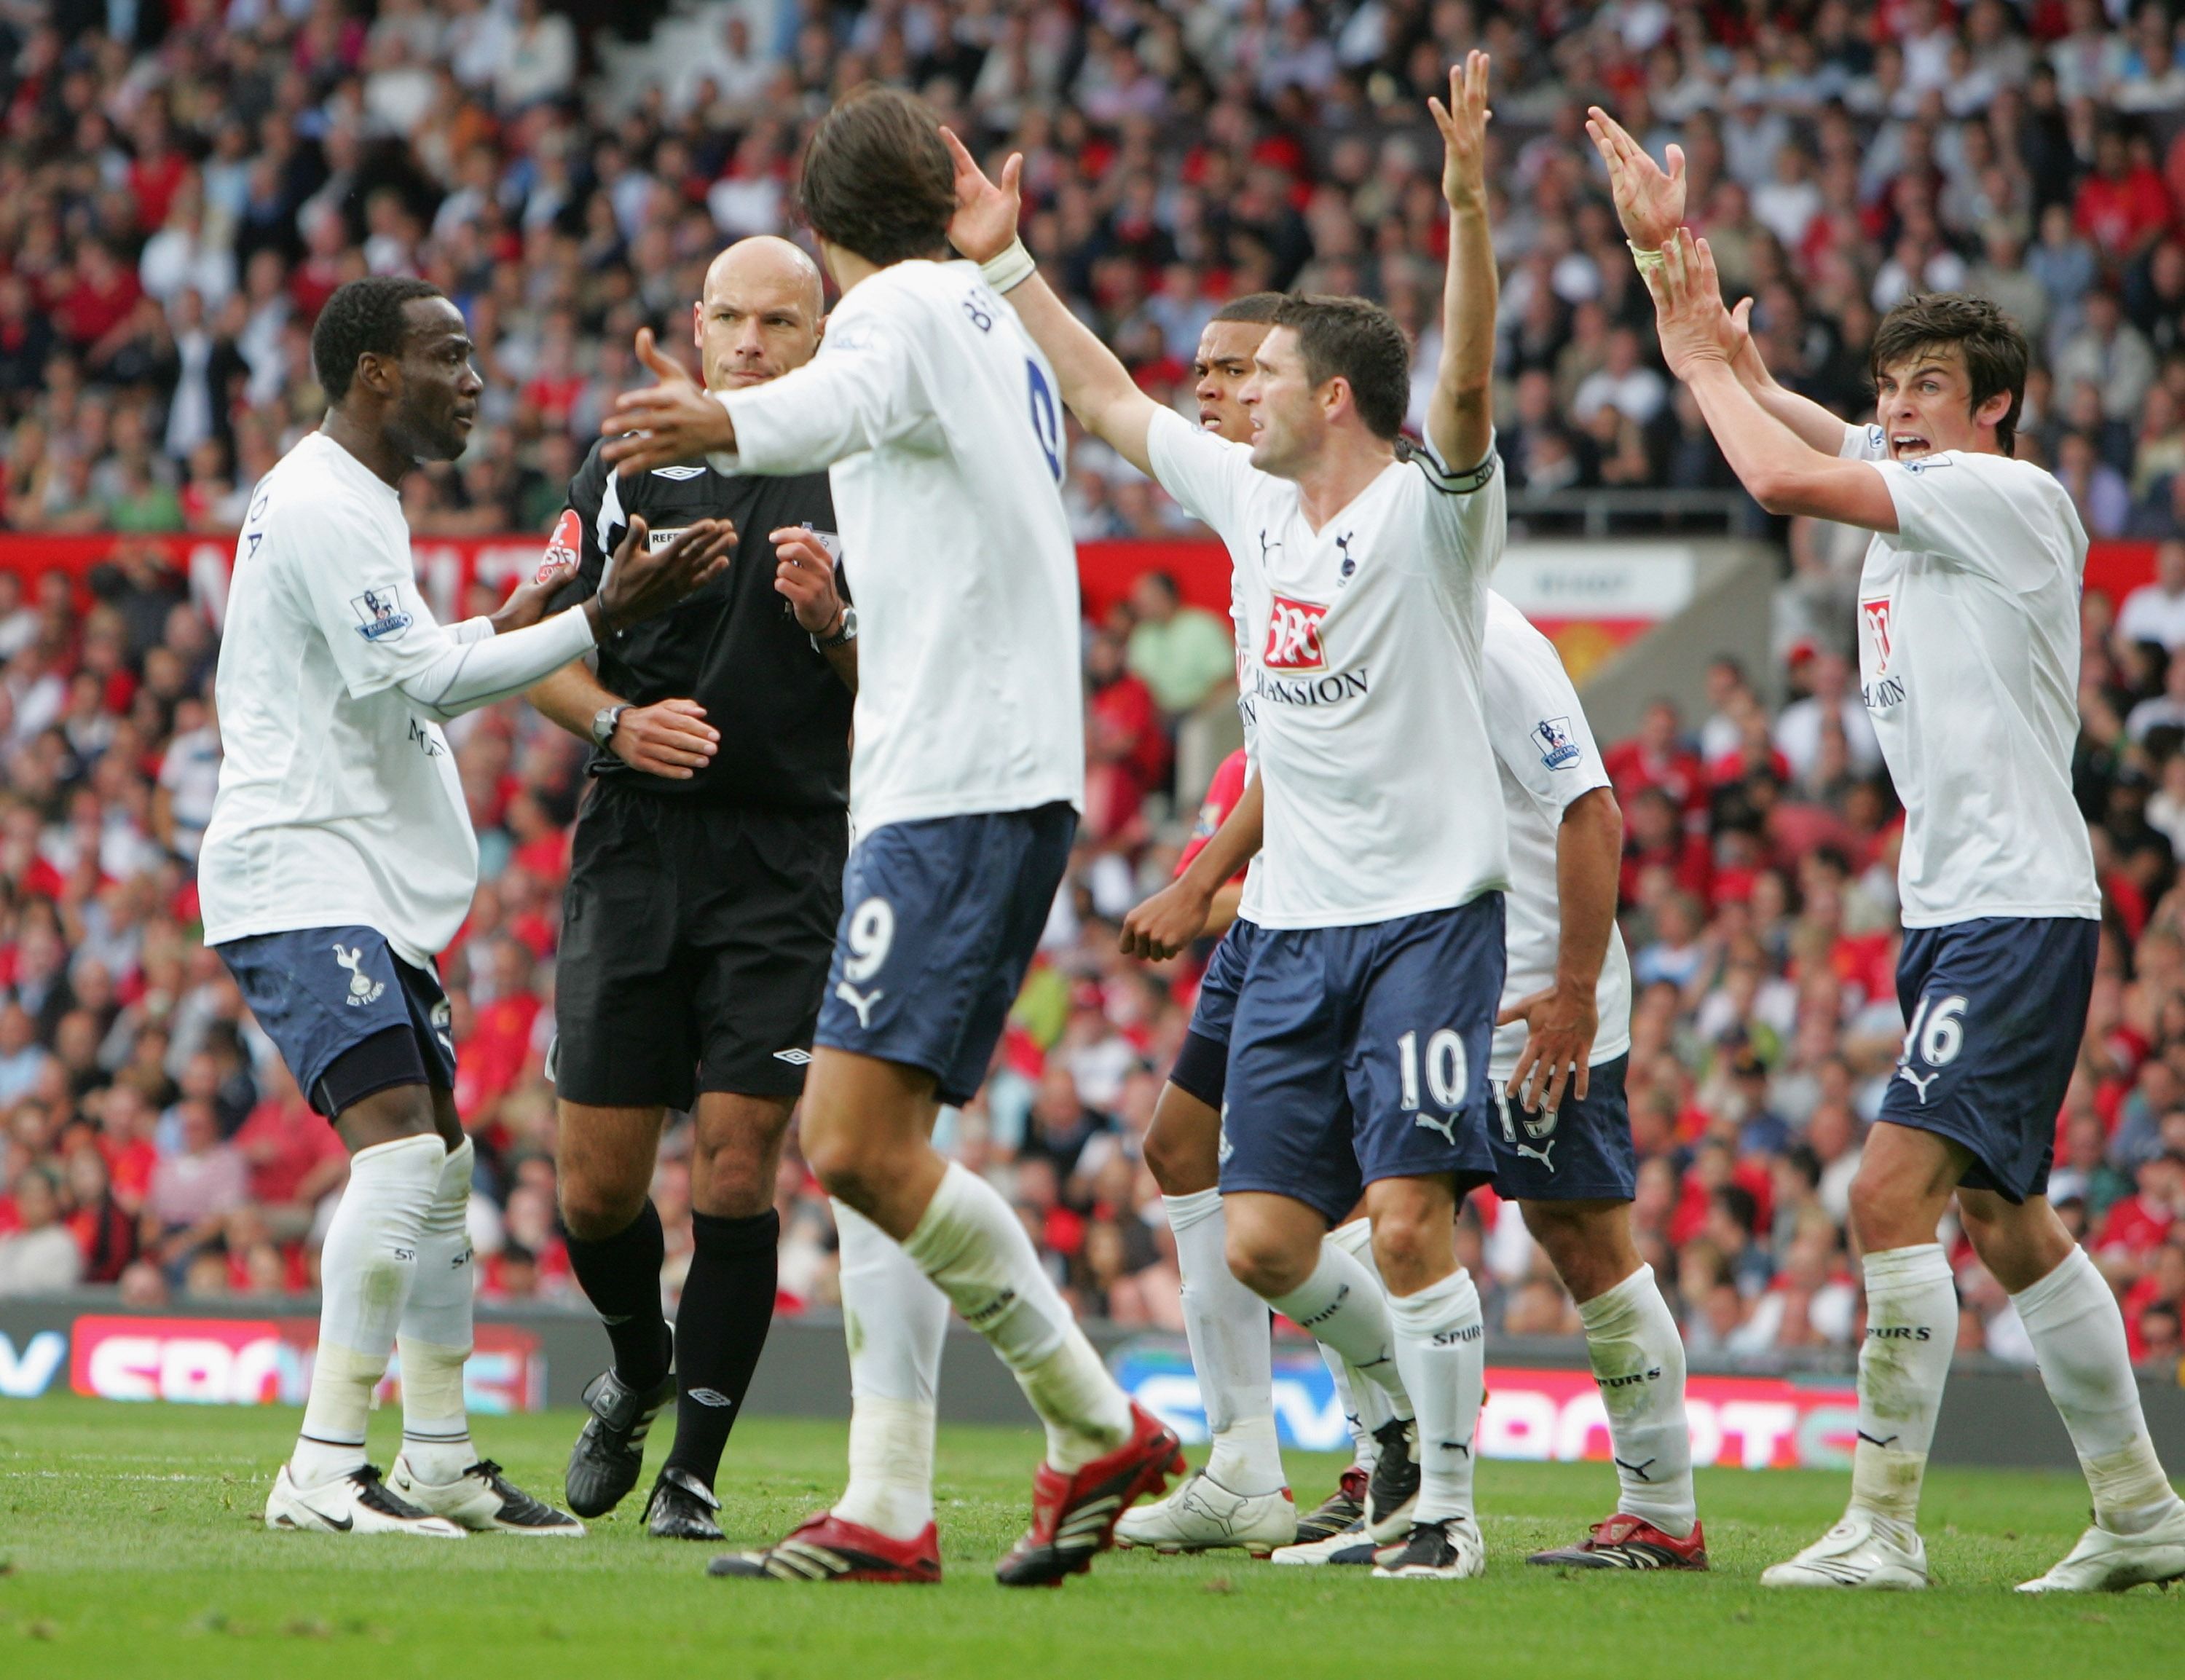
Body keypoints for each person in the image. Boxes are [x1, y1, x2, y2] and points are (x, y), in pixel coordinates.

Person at [1591, 106, 2185, 1593]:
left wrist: (1693, 372)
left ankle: (1884, 1525)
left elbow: (1786, 478)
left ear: (1996, 410)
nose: (1900, 407)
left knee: (1885, 1195)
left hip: (2011, 905)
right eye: (1892, 386)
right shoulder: (1926, 475)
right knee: (2005, 1213)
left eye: (1930, 386)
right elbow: (1800, 418)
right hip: (1966, 904)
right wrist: (1679, 277)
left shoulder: (2003, 498)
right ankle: (2139, 1510)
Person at [598, 86, 1178, 1588]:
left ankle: (1093, 1422)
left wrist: (718, 414)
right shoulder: (981, 307)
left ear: (822, 224)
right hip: (978, 765)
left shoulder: (908, 309)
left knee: (850, 1141)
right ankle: (889, 1499)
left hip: (958, 776)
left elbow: (829, 406)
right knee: (879, 1146)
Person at [950, 54, 1509, 1582]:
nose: (1225, 390)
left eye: (1255, 377)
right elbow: (1108, 396)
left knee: (1405, 1219)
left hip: (1425, 920)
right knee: (1264, 1239)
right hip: (1294, 923)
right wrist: (1004, 256)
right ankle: (1396, 1436)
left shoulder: (1428, 512)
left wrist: (1467, 208)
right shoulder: (1252, 502)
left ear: (1329, 395)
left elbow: (1460, 385)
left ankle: (1448, 1511)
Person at [1116, 336, 1703, 1566]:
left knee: (1579, 1237)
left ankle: (1661, 1509)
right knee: (1327, 1220)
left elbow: (1591, 809)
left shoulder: (1482, 633)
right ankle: (1386, 1467)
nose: (1220, 394)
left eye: (1247, 370)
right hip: (1383, 953)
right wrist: (1211, 879)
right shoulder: (1293, 574)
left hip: (1525, 976)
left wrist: (1574, 998)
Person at [201, 275, 732, 1539]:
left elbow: (400, 673)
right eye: (450, 357)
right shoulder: (325, 502)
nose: (475, 380)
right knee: (396, 1149)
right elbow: (428, 684)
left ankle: (436, 1456)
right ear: (376, 371)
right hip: (303, 867)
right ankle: (325, 1468)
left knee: (439, 1168)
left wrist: (513, 619)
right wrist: (602, 617)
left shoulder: (357, 502)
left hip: (364, 879)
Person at [529, 236, 855, 1544]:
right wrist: (616, 725)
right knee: (598, 1192)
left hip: (782, 854)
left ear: (823, 335)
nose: (753, 342)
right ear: (699, 324)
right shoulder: (626, 465)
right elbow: (533, 655)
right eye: (732, 317)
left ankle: (696, 1474)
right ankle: (640, 1365)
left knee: (735, 1167)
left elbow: (907, 699)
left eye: (782, 320)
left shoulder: (867, 471)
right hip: (635, 844)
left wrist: (835, 627)